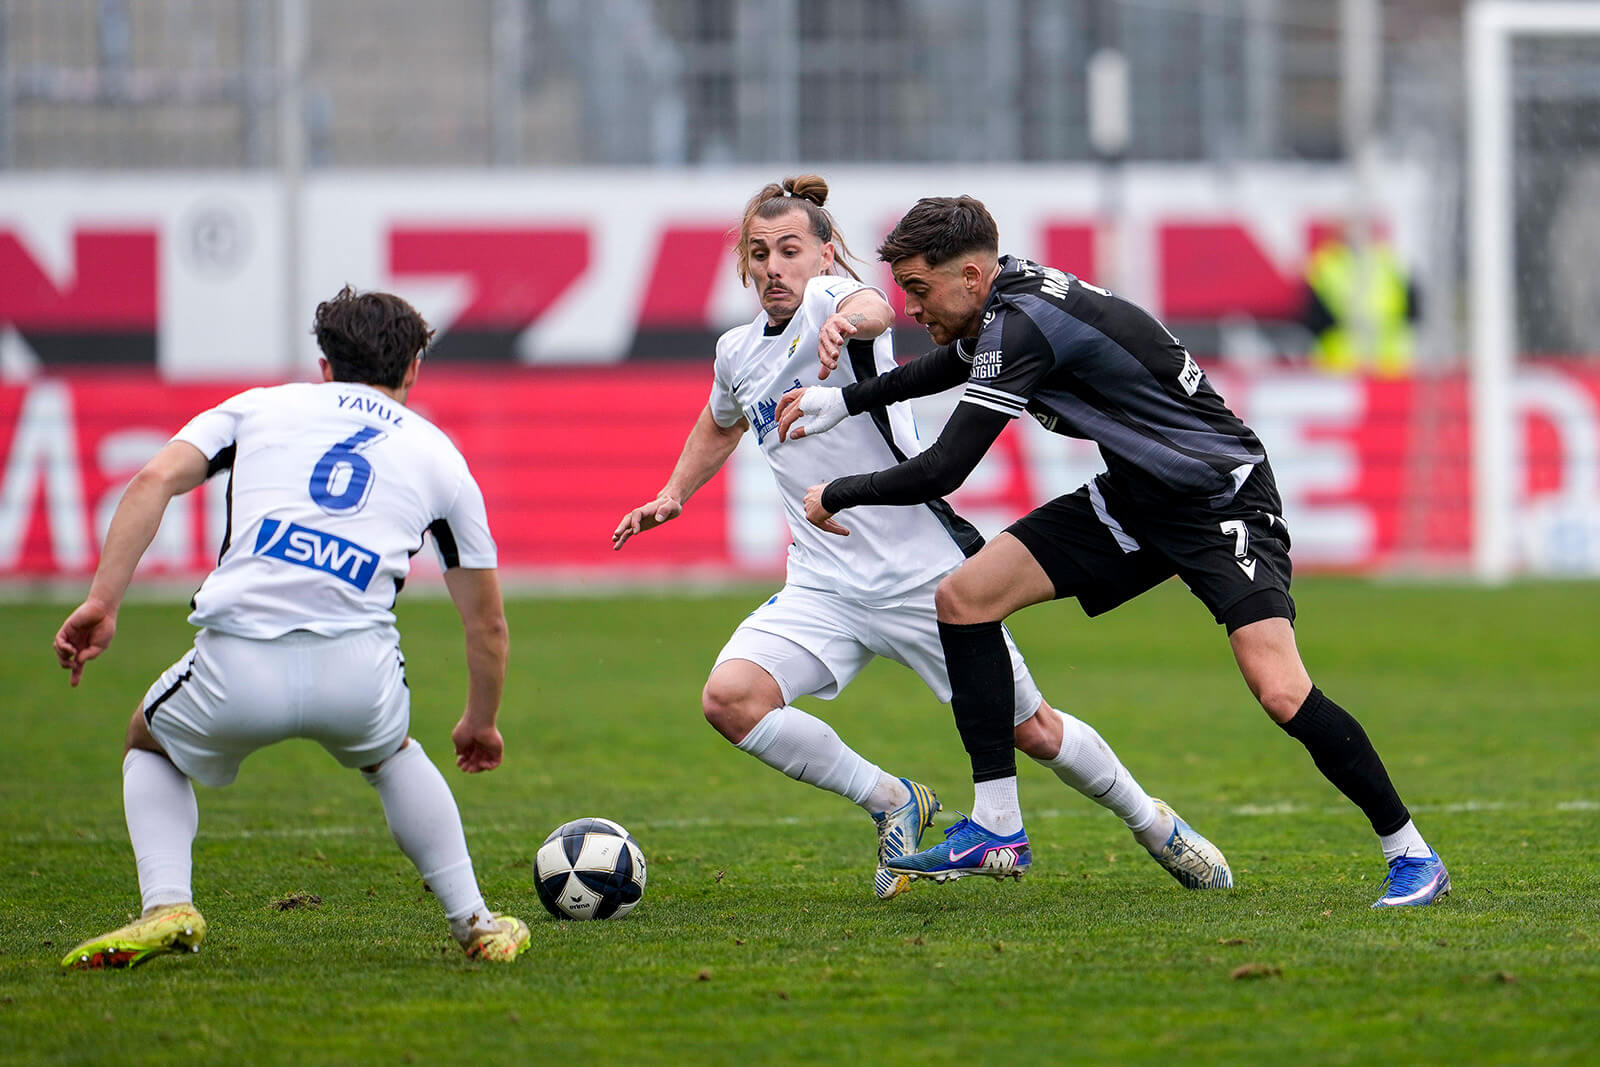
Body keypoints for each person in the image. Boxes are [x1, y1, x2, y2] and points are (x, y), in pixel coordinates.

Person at [778, 195, 1448, 907]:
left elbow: (945, 468)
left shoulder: (1024, 322)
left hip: (1219, 500)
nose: (912, 308)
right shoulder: (1008, 300)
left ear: (971, 277)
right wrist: (848, 402)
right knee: (964, 597)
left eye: (918, 289)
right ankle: (998, 824)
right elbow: (954, 363)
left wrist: (838, 491)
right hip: (1135, 499)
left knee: (1280, 689)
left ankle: (1412, 854)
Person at [613, 175, 1231, 898]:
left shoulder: (835, 303)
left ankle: (1154, 822)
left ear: (825, 256)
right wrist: (673, 493)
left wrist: (849, 322)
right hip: (823, 584)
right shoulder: (736, 352)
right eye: (758, 253)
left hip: (921, 576)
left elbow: (872, 308)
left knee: (1034, 731)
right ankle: (890, 799)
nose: (773, 266)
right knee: (731, 700)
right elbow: (721, 421)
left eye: (789, 250)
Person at [54, 286, 531, 970]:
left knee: (149, 741)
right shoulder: (440, 456)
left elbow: (154, 479)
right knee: (392, 752)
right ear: (415, 369)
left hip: (237, 661)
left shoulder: (257, 408)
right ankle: (477, 923)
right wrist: (480, 721)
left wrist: (104, 600)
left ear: (325, 365)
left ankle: (168, 904)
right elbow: (486, 621)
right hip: (357, 672)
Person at [1299, 222, 1420, 377]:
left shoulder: (1384, 261)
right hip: (1348, 367)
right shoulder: (1326, 265)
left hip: (1381, 367)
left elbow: (1412, 306)